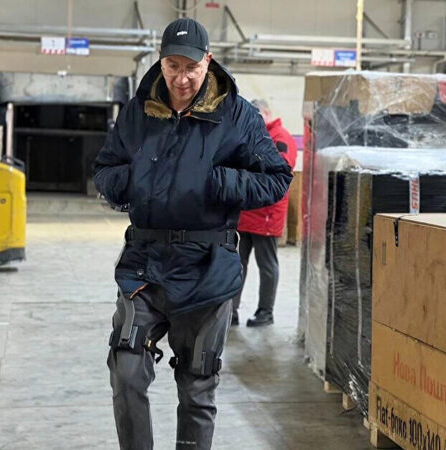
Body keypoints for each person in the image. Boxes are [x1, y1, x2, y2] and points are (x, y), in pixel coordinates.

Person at [93, 18, 292, 450]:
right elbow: (105, 169)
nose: (181, 79)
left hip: (207, 267)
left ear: (208, 61)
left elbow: (277, 179)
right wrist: (131, 182)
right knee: (126, 371)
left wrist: (217, 182)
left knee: (197, 386)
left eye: (191, 68)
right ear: (160, 61)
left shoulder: (237, 115)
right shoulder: (139, 111)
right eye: (172, 66)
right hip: (145, 264)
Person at [232, 100, 298, 327]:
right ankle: (231, 310)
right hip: (246, 212)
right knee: (236, 264)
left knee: (267, 265)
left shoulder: (280, 137)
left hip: (267, 214)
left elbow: (281, 169)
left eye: (259, 114)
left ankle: (266, 312)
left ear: (268, 113)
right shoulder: (248, 135)